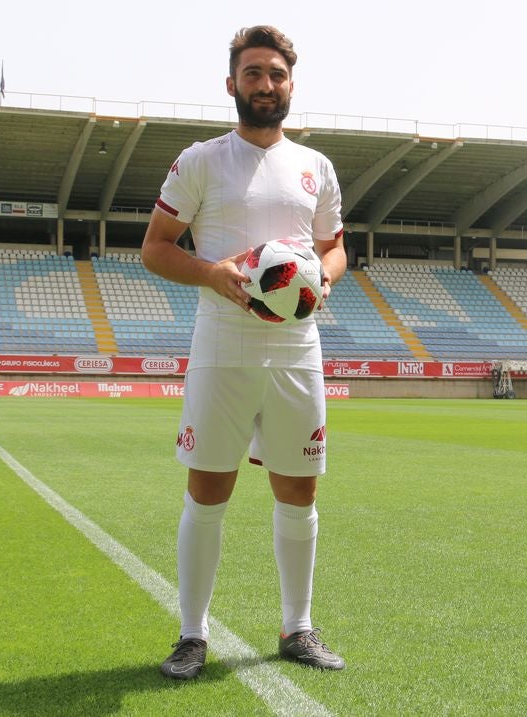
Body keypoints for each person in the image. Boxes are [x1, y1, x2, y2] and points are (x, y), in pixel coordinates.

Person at [141, 25, 348, 680]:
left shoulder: (317, 168)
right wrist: (213, 274)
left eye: (277, 74)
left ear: (291, 85)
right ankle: (192, 633)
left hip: (296, 349)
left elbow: (337, 246)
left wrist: (321, 279)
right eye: (254, 73)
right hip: (222, 346)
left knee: (299, 488)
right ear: (232, 83)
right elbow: (155, 247)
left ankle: (298, 626)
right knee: (208, 488)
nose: (266, 84)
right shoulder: (202, 160)